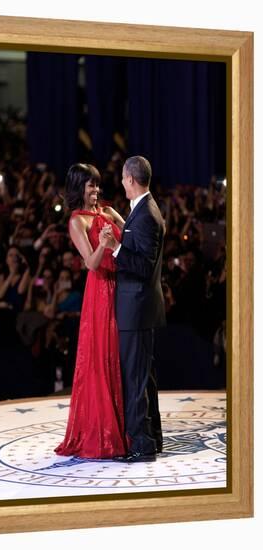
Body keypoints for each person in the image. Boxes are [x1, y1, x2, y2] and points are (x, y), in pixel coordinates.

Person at [54, 163, 128, 459]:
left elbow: (131, 231)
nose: (96, 190)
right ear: (78, 188)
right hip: (99, 292)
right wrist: (106, 244)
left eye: (97, 185)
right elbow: (91, 263)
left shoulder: (108, 212)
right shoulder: (76, 221)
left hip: (120, 288)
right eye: (90, 186)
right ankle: (102, 432)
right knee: (99, 356)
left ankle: (124, 427)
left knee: (118, 356)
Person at [100, 156, 166, 463]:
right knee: (145, 377)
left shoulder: (146, 215)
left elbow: (142, 265)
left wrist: (114, 246)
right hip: (139, 308)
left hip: (136, 309)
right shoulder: (143, 211)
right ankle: (153, 438)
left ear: (130, 180)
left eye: (124, 179)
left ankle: (141, 445)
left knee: (135, 379)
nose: (122, 183)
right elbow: (139, 248)